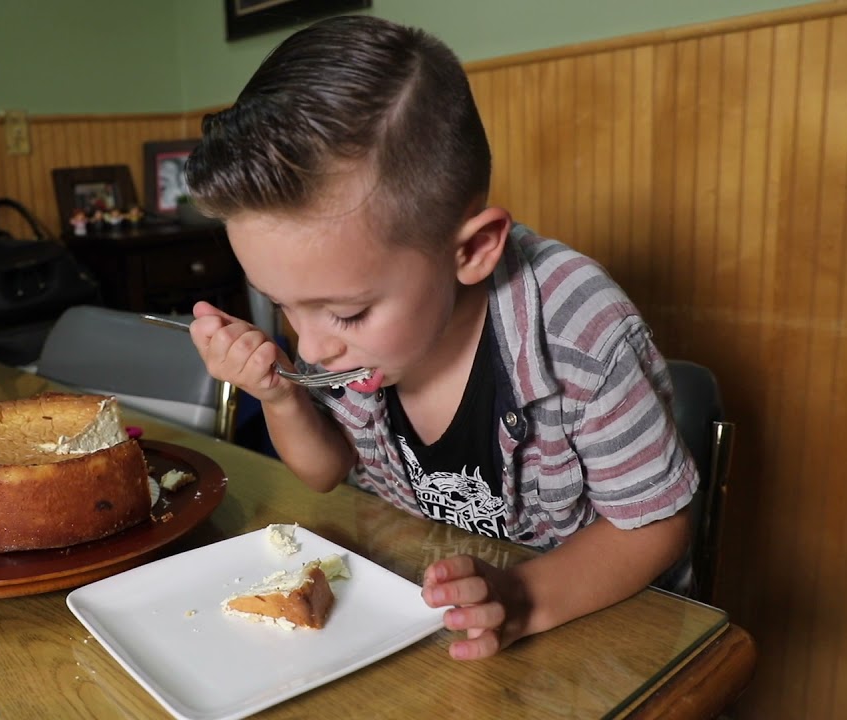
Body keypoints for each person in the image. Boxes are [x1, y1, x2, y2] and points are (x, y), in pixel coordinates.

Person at [183, 15, 699, 661]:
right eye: (285, 308)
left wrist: (523, 597)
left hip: (597, 634)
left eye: (345, 313)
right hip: (437, 619)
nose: (312, 348)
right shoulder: (358, 347)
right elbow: (326, 471)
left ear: (475, 249)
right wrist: (281, 396)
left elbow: (655, 527)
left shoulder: (576, 325)